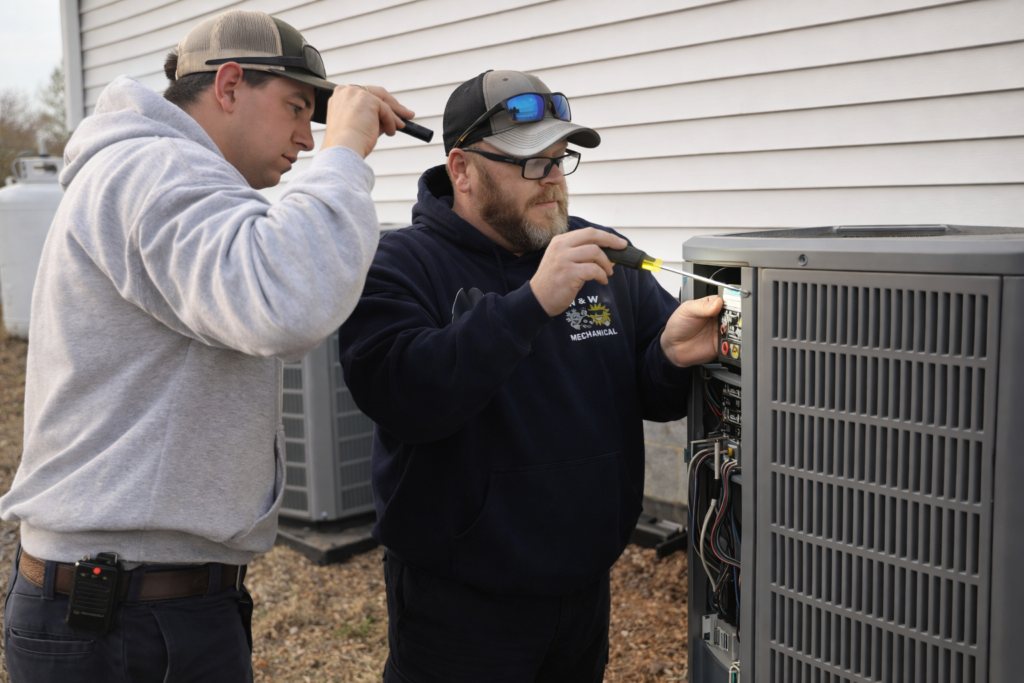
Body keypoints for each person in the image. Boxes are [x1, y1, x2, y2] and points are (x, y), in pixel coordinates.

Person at [0, 10, 417, 682]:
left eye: (315, 121)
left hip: (138, 604)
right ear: (228, 86)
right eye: (296, 108)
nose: (307, 139)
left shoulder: (165, 176)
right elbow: (285, 298)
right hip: (125, 616)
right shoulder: (156, 168)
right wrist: (346, 153)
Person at [336, 70, 723, 683]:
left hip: (584, 591)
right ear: (462, 170)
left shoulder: (601, 255)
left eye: (558, 161)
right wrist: (532, 301)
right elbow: (404, 396)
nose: (552, 183)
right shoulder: (399, 265)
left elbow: (648, 391)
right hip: (460, 608)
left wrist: (671, 357)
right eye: (529, 164)